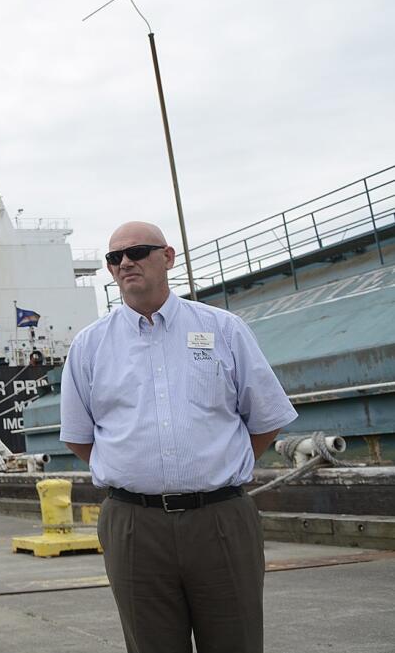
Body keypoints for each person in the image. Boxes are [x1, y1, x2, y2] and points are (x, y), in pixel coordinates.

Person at [60, 221, 297, 653]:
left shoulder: (223, 329)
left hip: (220, 518)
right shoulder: (89, 346)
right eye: (115, 258)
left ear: (167, 257)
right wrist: (136, 469)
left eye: (138, 252)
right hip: (134, 524)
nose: (126, 263)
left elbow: (267, 416)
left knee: (236, 641)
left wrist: (224, 465)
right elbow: (79, 437)